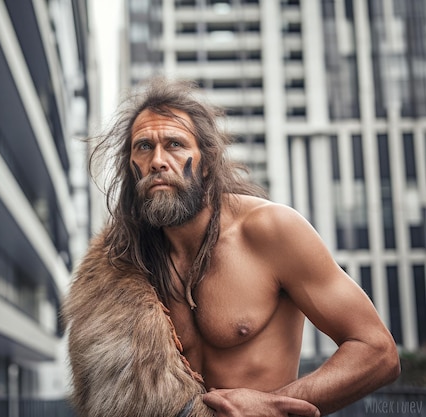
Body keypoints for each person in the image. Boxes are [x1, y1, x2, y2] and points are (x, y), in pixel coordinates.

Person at [64, 77, 400, 417]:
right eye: (144, 147)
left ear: (207, 163)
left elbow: (377, 352)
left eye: (175, 144)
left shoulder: (270, 231)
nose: (158, 161)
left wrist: (274, 406)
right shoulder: (126, 262)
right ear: (130, 167)